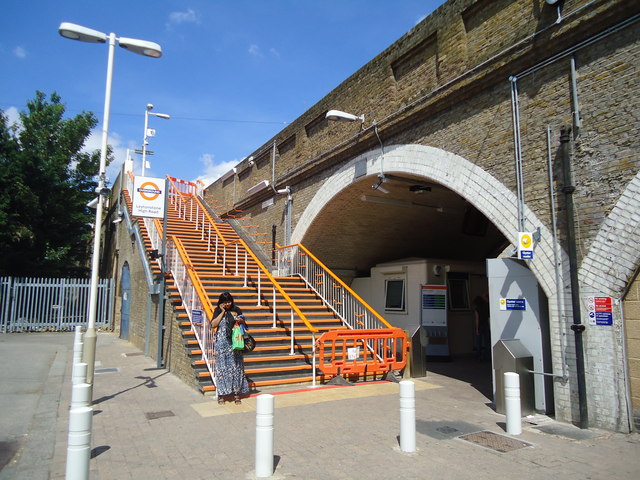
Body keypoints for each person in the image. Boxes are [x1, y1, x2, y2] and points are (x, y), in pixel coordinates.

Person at [210, 292, 249, 404]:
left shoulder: (236, 309)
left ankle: (237, 393)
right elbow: (213, 324)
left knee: (236, 368)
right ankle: (221, 394)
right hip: (222, 343)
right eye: (225, 302)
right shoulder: (218, 310)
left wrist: (239, 319)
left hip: (235, 342)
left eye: (229, 301)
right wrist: (222, 312)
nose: (227, 304)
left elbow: (243, 322)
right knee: (222, 369)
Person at [473, 293, 491, 361]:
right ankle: (488, 356)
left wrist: (477, 329)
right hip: (486, 325)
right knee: (487, 342)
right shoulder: (486, 307)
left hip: (480, 326)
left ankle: (479, 357)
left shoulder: (477, 309)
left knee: (479, 342)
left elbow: (477, 319)